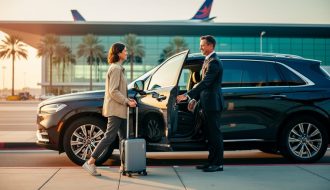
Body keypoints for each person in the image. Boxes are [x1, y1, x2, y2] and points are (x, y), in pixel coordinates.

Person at [82, 42, 137, 176]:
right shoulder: (116, 69)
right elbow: (113, 91)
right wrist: (126, 101)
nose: (127, 52)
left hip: (120, 109)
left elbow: (118, 91)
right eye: (125, 51)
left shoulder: (118, 68)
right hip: (115, 110)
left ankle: (124, 166)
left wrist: (128, 100)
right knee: (109, 136)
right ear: (118, 53)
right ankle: (90, 162)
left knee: (123, 138)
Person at [177, 35, 224, 172]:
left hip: (212, 104)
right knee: (209, 134)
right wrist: (194, 100)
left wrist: (187, 95)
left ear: (210, 46)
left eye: (203, 45)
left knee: (215, 134)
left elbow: (205, 83)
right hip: (206, 103)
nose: (200, 47)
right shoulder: (208, 60)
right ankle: (211, 162)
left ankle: (218, 164)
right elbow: (203, 85)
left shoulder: (214, 62)